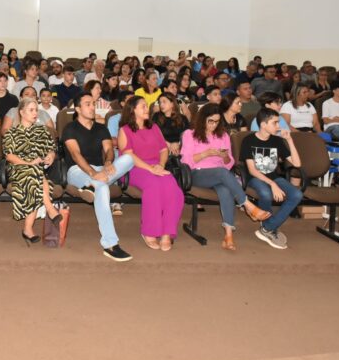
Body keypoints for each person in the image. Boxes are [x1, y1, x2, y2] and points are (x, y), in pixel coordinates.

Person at [180, 103, 270, 251]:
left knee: (225, 189)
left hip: (219, 175)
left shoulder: (223, 136)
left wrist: (225, 157)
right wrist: (206, 154)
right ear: (203, 119)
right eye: (211, 121)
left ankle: (228, 235)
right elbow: (185, 162)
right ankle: (248, 205)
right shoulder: (190, 134)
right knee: (222, 174)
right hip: (197, 174)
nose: (214, 125)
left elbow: (229, 164)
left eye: (217, 121)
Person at [62, 93, 135, 262]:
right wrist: (93, 173)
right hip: (77, 171)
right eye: (88, 104)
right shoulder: (70, 128)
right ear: (78, 109)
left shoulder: (101, 128)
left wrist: (109, 162)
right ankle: (110, 244)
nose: (92, 107)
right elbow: (75, 154)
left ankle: (91, 186)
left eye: (93, 103)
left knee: (129, 158)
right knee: (102, 186)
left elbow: (109, 149)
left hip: (101, 169)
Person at [118, 96, 184, 251]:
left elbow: (163, 149)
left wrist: (160, 165)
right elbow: (129, 156)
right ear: (132, 110)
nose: (147, 109)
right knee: (153, 185)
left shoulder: (153, 127)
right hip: (133, 168)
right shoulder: (124, 130)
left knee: (172, 186)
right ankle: (149, 231)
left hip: (156, 166)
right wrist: (150, 169)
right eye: (142, 106)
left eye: (146, 106)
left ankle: (167, 232)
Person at [240, 108, 302, 250]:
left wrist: (289, 140)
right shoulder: (248, 140)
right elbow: (252, 170)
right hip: (254, 177)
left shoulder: (277, 141)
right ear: (263, 124)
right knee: (266, 193)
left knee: (297, 194)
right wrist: (272, 184)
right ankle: (269, 228)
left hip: (273, 177)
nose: (278, 126)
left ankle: (268, 227)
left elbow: (297, 164)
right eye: (275, 123)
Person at [3, 97, 62, 244]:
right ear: (21, 112)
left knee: (34, 176)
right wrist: (28, 163)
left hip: (38, 169)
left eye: (36, 110)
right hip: (18, 168)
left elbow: (52, 149)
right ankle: (49, 207)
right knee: (33, 173)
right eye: (31, 110)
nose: (35, 113)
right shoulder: (11, 133)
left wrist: (50, 156)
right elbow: (9, 156)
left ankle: (27, 229)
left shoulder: (42, 130)